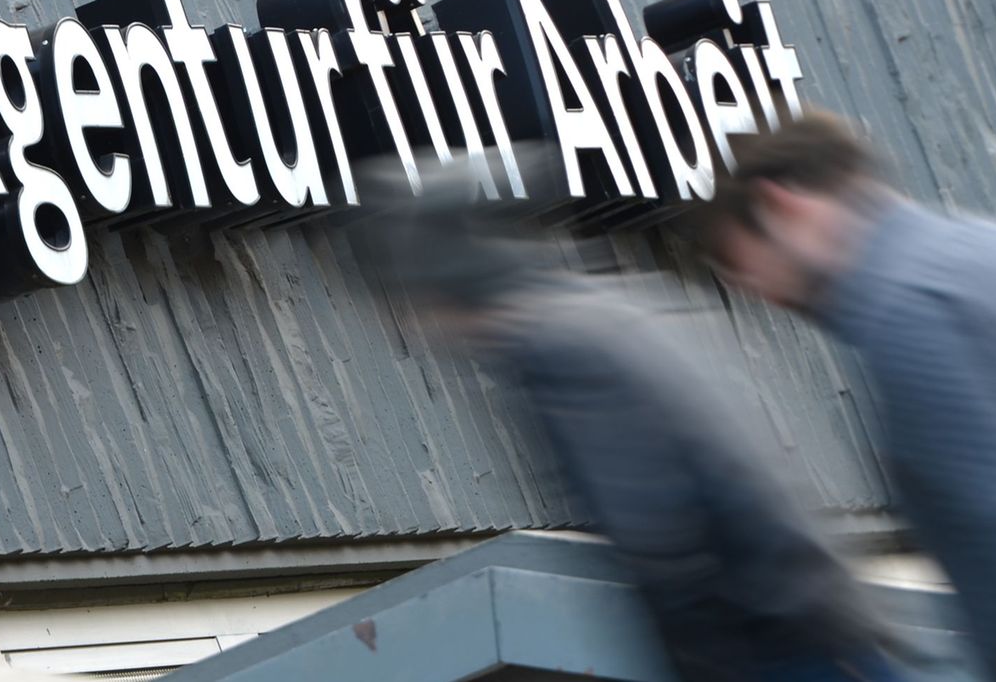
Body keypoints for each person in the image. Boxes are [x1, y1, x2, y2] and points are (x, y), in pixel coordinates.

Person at [355, 157, 906, 681]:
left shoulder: (556, 350)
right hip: (817, 618)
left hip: (777, 639)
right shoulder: (601, 314)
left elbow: (657, 530)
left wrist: (704, 664)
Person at [698, 109, 996, 679]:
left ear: (780, 208)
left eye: (743, 266)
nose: (757, 292)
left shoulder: (911, 315)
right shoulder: (978, 251)